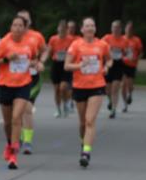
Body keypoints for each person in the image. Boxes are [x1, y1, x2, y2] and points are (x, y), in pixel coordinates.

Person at [0, 15, 41, 169]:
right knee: (7, 123)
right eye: (15, 25)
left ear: (25, 28)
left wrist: (35, 64)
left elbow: (34, 58)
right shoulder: (4, 43)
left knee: (16, 117)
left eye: (21, 25)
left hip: (23, 84)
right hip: (5, 85)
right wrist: (6, 59)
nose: (18, 28)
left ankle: (13, 155)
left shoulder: (30, 44)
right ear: (11, 27)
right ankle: (9, 143)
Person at [65, 18, 112, 168]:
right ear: (82, 29)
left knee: (90, 120)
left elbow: (110, 60)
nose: (90, 28)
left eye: (92, 25)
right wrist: (79, 65)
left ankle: (86, 152)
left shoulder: (102, 45)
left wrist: (106, 67)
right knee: (83, 123)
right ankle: (83, 141)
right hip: (79, 86)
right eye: (87, 26)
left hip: (97, 86)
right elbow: (67, 66)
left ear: (95, 29)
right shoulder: (76, 45)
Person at [18, 11, 46, 154]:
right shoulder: (11, 38)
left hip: (32, 78)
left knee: (27, 107)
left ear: (29, 22)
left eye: (25, 19)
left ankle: (28, 141)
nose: (23, 22)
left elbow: (45, 51)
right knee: (20, 110)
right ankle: (23, 135)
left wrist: (41, 61)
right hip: (16, 79)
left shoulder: (36, 36)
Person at [43, 20, 74, 118]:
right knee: (56, 89)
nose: (62, 32)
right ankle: (58, 109)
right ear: (58, 29)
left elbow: (74, 52)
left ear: (66, 30)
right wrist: (43, 59)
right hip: (56, 65)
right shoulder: (53, 39)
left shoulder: (70, 40)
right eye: (60, 30)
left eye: (64, 30)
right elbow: (49, 51)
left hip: (66, 65)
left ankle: (66, 104)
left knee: (63, 87)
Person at [101, 20, 129, 119]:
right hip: (108, 64)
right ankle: (110, 101)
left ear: (120, 29)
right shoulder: (106, 38)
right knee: (107, 89)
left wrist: (125, 53)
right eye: (114, 27)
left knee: (115, 89)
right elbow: (100, 49)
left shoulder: (124, 40)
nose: (115, 29)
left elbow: (128, 53)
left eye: (117, 27)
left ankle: (113, 110)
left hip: (118, 64)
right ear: (111, 28)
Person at [121, 21, 143, 112]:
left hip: (132, 65)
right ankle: (125, 104)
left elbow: (141, 52)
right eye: (127, 29)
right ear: (125, 29)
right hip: (122, 64)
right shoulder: (121, 39)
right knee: (123, 85)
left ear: (132, 30)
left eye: (131, 29)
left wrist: (137, 58)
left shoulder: (136, 40)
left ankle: (130, 94)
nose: (129, 31)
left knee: (130, 85)